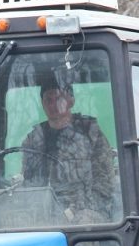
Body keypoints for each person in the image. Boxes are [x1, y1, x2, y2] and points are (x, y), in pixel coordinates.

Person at [21, 79, 116, 222]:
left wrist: (73, 211)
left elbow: (104, 184)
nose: (53, 104)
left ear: (70, 101)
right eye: (48, 100)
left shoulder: (90, 133)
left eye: (58, 98)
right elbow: (28, 185)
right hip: (42, 216)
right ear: (42, 103)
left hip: (87, 213)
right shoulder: (33, 140)